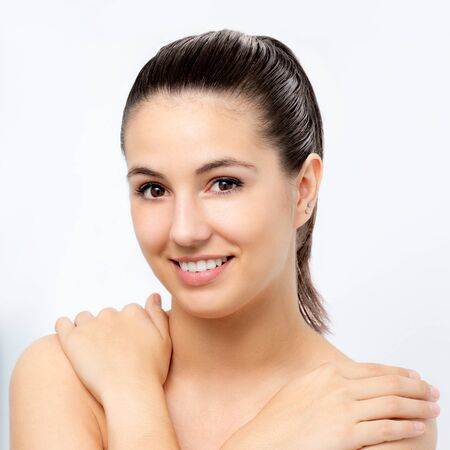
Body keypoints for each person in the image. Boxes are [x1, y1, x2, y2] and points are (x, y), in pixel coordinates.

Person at [9, 29, 439, 449]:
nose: (185, 231)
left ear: (303, 189)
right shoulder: (64, 374)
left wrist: (130, 395)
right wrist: (132, 389)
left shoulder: (377, 418)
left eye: (224, 183)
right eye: (153, 189)